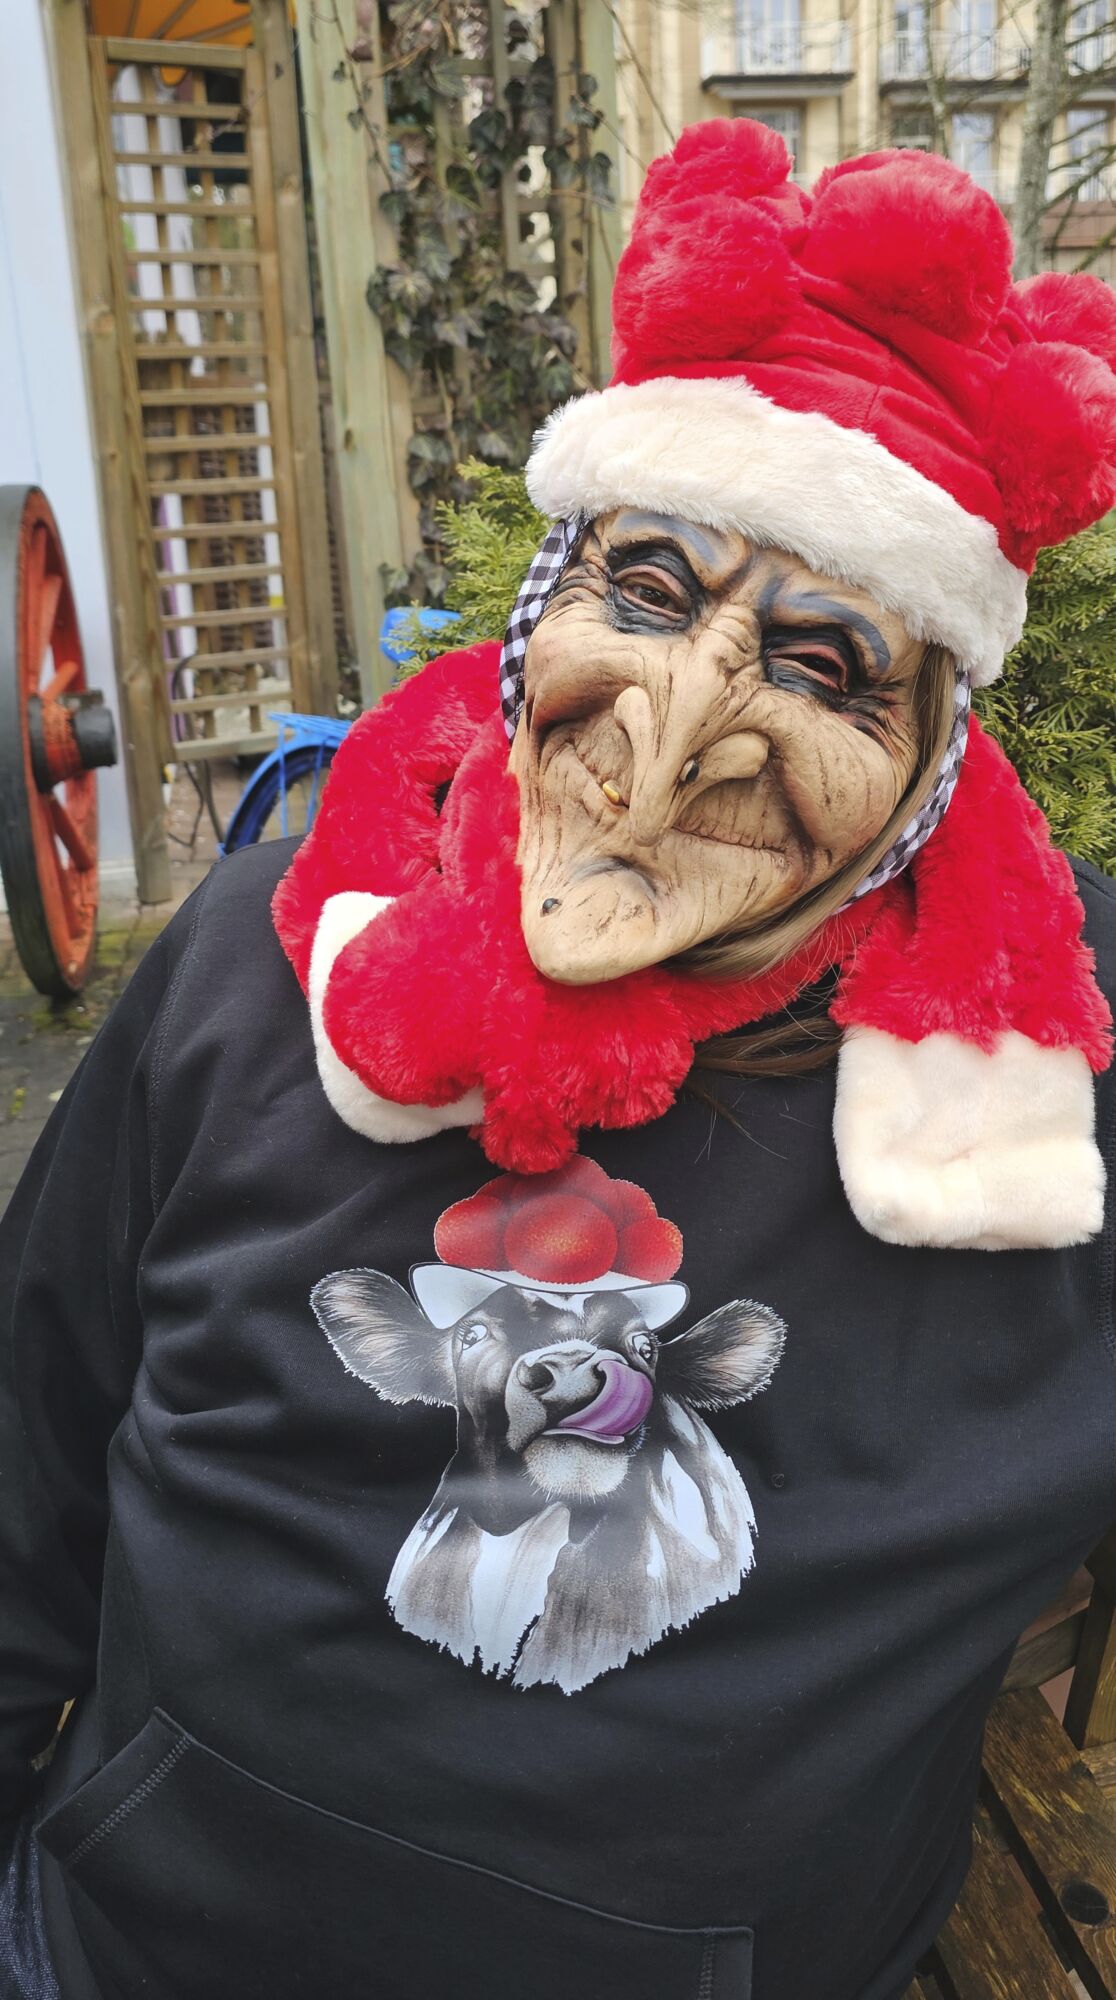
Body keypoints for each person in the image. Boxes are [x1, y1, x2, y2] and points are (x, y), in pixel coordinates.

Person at [2, 119, 1114, 2000]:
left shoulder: (1061, 1093)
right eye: (649, 591)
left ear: (934, 757)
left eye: (827, 668)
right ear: (548, 601)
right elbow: (20, 1481)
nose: (678, 735)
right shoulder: (262, 960)